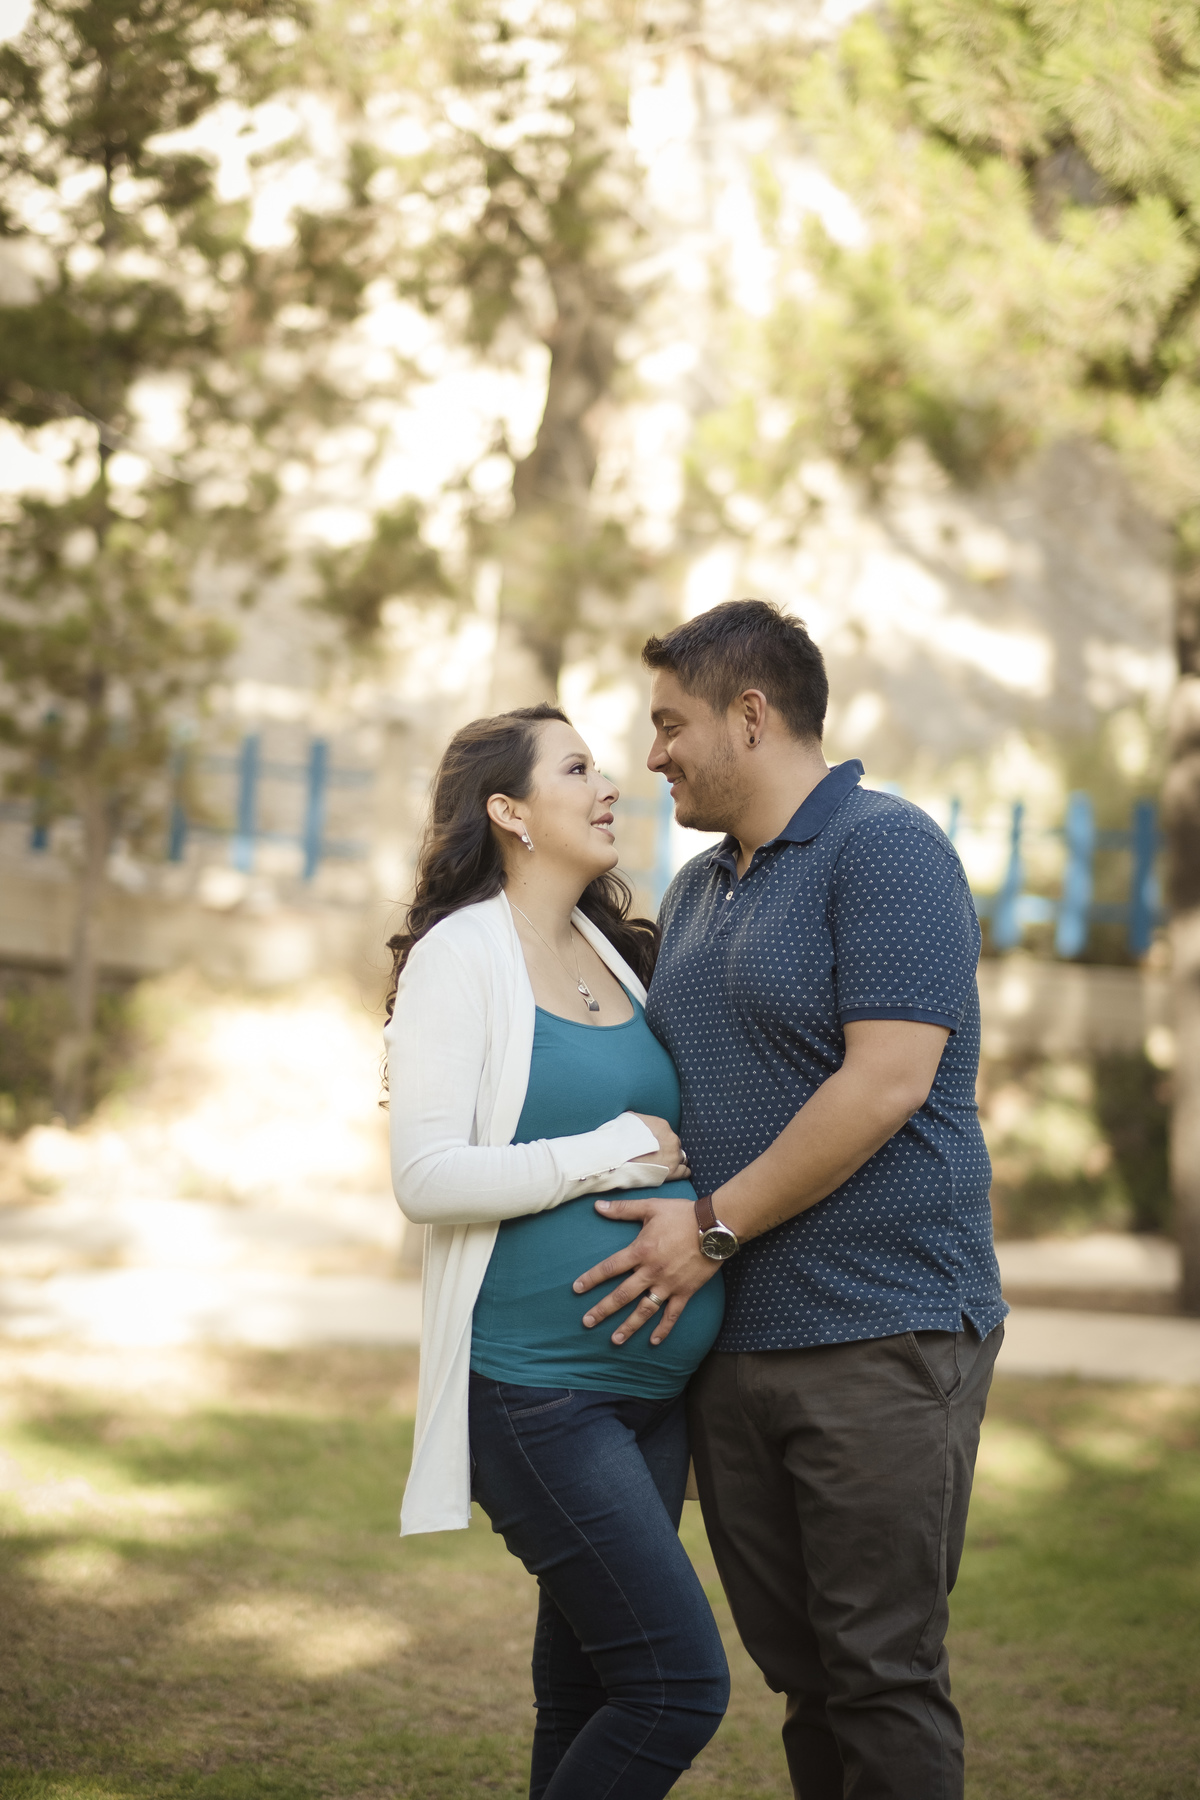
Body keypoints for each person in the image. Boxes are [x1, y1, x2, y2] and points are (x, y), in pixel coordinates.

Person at [572, 601, 1007, 1800]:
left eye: (671, 723)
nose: (651, 754)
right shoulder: (705, 886)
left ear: (750, 715)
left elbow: (887, 1083)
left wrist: (712, 1229)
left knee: (879, 1675)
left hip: (882, 1331)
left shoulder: (889, 849)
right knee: (806, 1676)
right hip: (737, 1346)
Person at [384, 703, 730, 1800]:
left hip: (648, 1394)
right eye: (577, 768)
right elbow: (426, 1178)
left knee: (588, 1693)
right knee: (678, 1685)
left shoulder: (611, 950)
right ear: (510, 810)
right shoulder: (460, 957)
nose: (609, 783)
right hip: (540, 1396)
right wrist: (609, 1154)